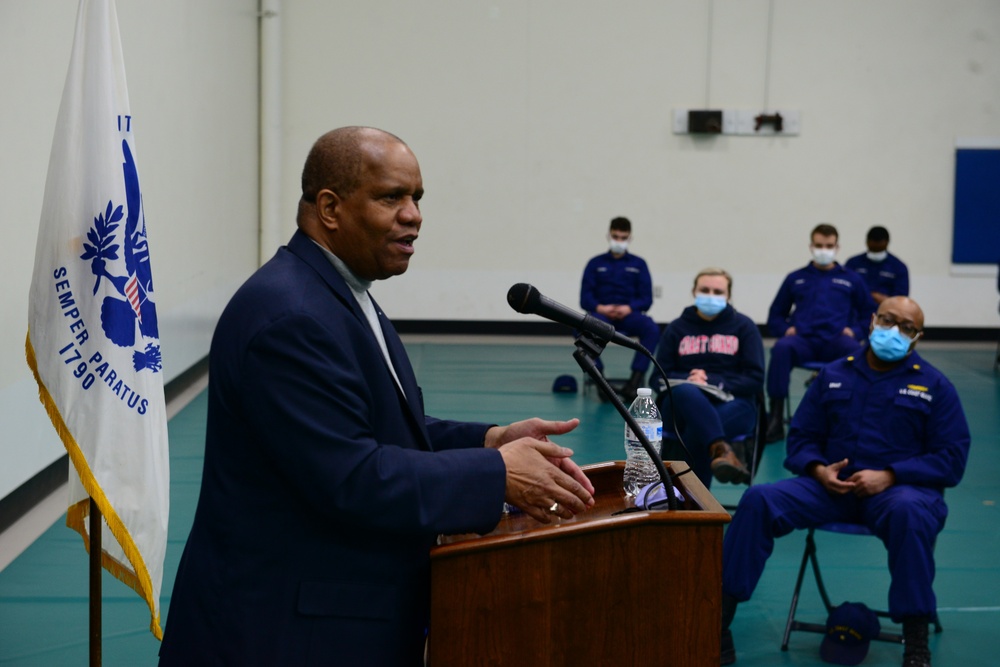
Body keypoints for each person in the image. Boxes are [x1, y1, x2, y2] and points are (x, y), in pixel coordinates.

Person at [158, 127, 596, 666]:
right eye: (392, 197)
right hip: (282, 634)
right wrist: (497, 473)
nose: (413, 215)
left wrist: (490, 440)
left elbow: (377, 426)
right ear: (330, 208)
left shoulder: (335, 292)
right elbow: (351, 476)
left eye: (417, 198)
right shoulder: (291, 317)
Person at [720, 296, 971, 667]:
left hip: (897, 493)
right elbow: (801, 439)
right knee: (759, 499)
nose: (894, 331)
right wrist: (819, 469)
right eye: (888, 320)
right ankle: (718, 620)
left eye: (906, 327)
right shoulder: (835, 373)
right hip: (830, 488)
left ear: (917, 337)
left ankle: (915, 640)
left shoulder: (934, 386)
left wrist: (891, 475)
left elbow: (952, 458)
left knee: (911, 515)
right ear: (872, 321)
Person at [649, 268, 765, 489]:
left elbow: (755, 378)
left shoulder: (745, 327)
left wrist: (712, 381)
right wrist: (690, 379)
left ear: (728, 295)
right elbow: (657, 377)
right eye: (705, 290)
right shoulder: (677, 328)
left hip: (734, 403)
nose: (711, 295)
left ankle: (692, 506)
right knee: (685, 391)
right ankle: (720, 451)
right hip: (681, 405)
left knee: (696, 432)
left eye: (717, 291)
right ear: (694, 291)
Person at [764, 223, 874, 442]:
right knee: (781, 349)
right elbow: (775, 314)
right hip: (803, 340)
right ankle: (776, 418)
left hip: (837, 341)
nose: (824, 250)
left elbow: (869, 314)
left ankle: (847, 417)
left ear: (837, 247)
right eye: (819, 245)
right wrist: (786, 329)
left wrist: (855, 331)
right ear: (811, 246)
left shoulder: (851, 279)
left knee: (857, 352)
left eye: (829, 245)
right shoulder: (796, 277)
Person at [580, 216, 660, 402]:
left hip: (629, 315)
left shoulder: (639, 264)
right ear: (609, 235)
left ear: (629, 238)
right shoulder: (595, 263)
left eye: (623, 237)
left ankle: (634, 382)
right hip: (602, 316)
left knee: (652, 329)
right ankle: (600, 380)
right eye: (616, 236)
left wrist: (629, 308)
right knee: (580, 327)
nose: (619, 241)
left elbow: (646, 299)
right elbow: (585, 298)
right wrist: (602, 308)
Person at [845, 225, 910, 305]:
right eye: (873, 250)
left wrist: (881, 298)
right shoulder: (853, 263)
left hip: (886, 312)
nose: (876, 253)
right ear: (867, 242)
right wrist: (870, 296)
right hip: (857, 311)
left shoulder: (898, 267)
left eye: (879, 250)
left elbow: (901, 299)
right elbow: (845, 289)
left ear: (887, 243)